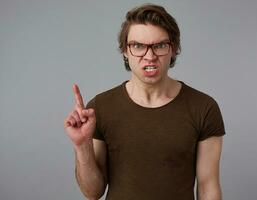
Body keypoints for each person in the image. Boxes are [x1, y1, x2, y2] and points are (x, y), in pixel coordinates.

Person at [64, 4, 225, 200]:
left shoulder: (203, 108)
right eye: (138, 46)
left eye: (159, 46)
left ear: (173, 49)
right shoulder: (100, 107)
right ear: (125, 50)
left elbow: (208, 188)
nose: (150, 56)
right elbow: (93, 192)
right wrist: (82, 146)